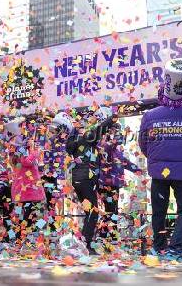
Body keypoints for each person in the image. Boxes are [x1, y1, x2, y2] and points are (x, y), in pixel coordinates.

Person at [139, 58, 182, 260]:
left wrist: (157, 157)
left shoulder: (150, 115)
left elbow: (143, 143)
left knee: (159, 211)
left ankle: (158, 249)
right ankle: (176, 248)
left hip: (159, 172)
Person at [66, 108, 117, 254]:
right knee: (93, 212)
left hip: (77, 179)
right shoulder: (86, 137)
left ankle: (83, 242)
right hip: (86, 178)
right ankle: (86, 244)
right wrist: (112, 118)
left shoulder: (74, 140)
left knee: (89, 211)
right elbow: (100, 128)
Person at [98, 123, 141, 242]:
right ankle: (108, 237)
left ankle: (109, 237)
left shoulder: (116, 150)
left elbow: (124, 161)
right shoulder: (103, 145)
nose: (116, 133)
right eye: (114, 131)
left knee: (113, 210)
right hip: (106, 184)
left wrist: (137, 169)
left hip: (114, 184)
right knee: (110, 210)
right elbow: (107, 148)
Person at [6, 117, 46, 241]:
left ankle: (29, 238)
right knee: (26, 215)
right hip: (26, 190)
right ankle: (22, 239)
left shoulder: (25, 150)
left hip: (30, 189)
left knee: (35, 214)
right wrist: (36, 151)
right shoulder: (20, 150)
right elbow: (27, 162)